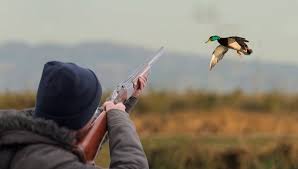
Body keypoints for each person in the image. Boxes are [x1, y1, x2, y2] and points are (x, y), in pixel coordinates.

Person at [0, 61, 149, 169]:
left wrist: (127, 101)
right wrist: (118, 117)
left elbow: (87, 137)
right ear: (79, 121)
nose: (95, 117)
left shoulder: (18, 141)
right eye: (93, 112)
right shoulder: (56, 162)